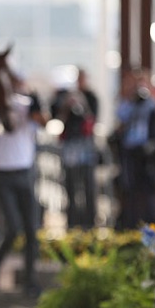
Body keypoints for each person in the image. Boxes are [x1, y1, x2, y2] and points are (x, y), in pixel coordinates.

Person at [0, 71, 44, 297]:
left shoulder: (27, 106)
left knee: (31, 227)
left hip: (23, 170)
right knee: (12, 227)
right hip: (1, 172)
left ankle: (30, 280)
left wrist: (34, 102)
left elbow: (42, 122)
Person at [50, 68, 99, 229]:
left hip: (86, 149)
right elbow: (57, 117)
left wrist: (82, 103)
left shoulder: (91, 97)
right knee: (70, 187)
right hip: (70, 148)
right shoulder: (64, 97)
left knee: (88, 188)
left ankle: (90, 224)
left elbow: (92, 118)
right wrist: (66, 104)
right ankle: (72, 223)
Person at [112, 67, 155, 229]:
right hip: (129, 151)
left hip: (146, 153)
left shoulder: (151, 104)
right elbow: (121, 118)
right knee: (130, 188)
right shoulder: (129, 104)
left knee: (147, 190)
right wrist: (130, 98)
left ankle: (149, 222)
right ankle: (131, 223)